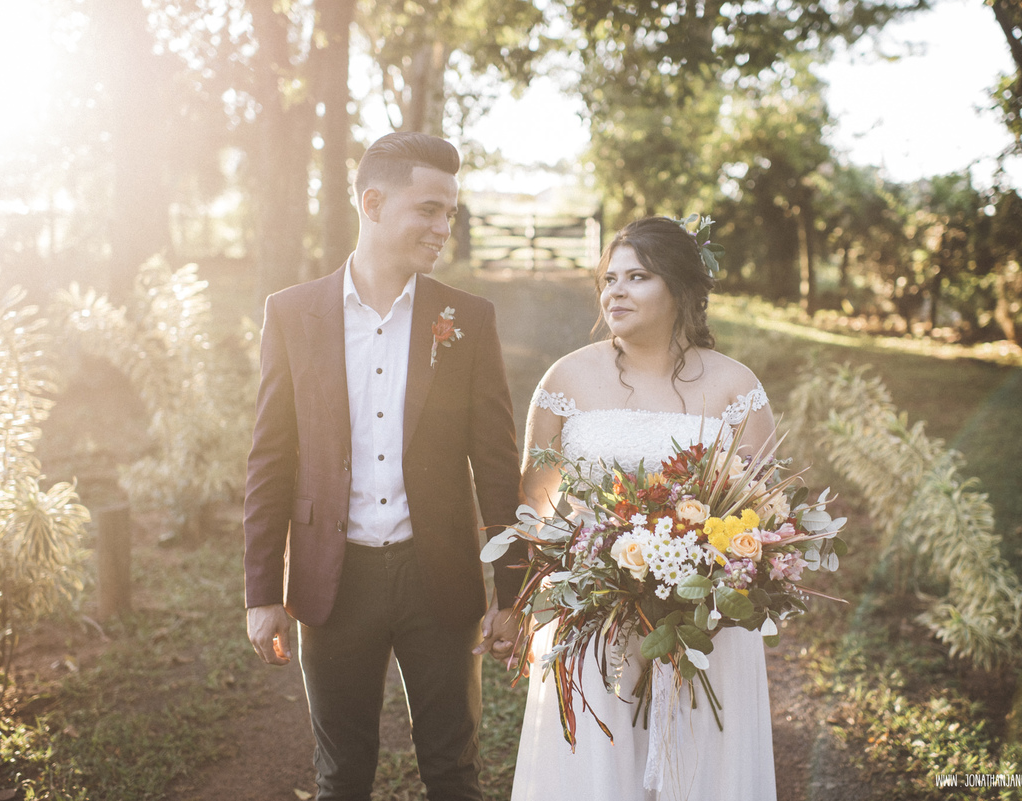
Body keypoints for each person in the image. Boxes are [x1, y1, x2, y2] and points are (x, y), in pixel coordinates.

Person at [243, 132, 524, 801]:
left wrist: (512, 593)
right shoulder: (292, 313)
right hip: (332, 580)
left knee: (453, 771)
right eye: (428, 209)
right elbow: (271, 457)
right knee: (340, 775)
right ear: (372, 203)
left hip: (439, 578)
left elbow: (496, 462)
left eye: (449, 212)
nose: (443, 227)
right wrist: (262, 591)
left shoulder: (468, 319)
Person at [509, 216, 778, 801]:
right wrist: (567, 580)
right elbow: (535, 505)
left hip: (703, 622)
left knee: (699, 769)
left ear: (680, 288)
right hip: (593, 618)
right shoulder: (566, 378)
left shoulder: (736, 388)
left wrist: (698, 568)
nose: (616, 292)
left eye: (637, 277)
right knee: (597, 768)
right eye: (610, 279)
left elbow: (760, 513)